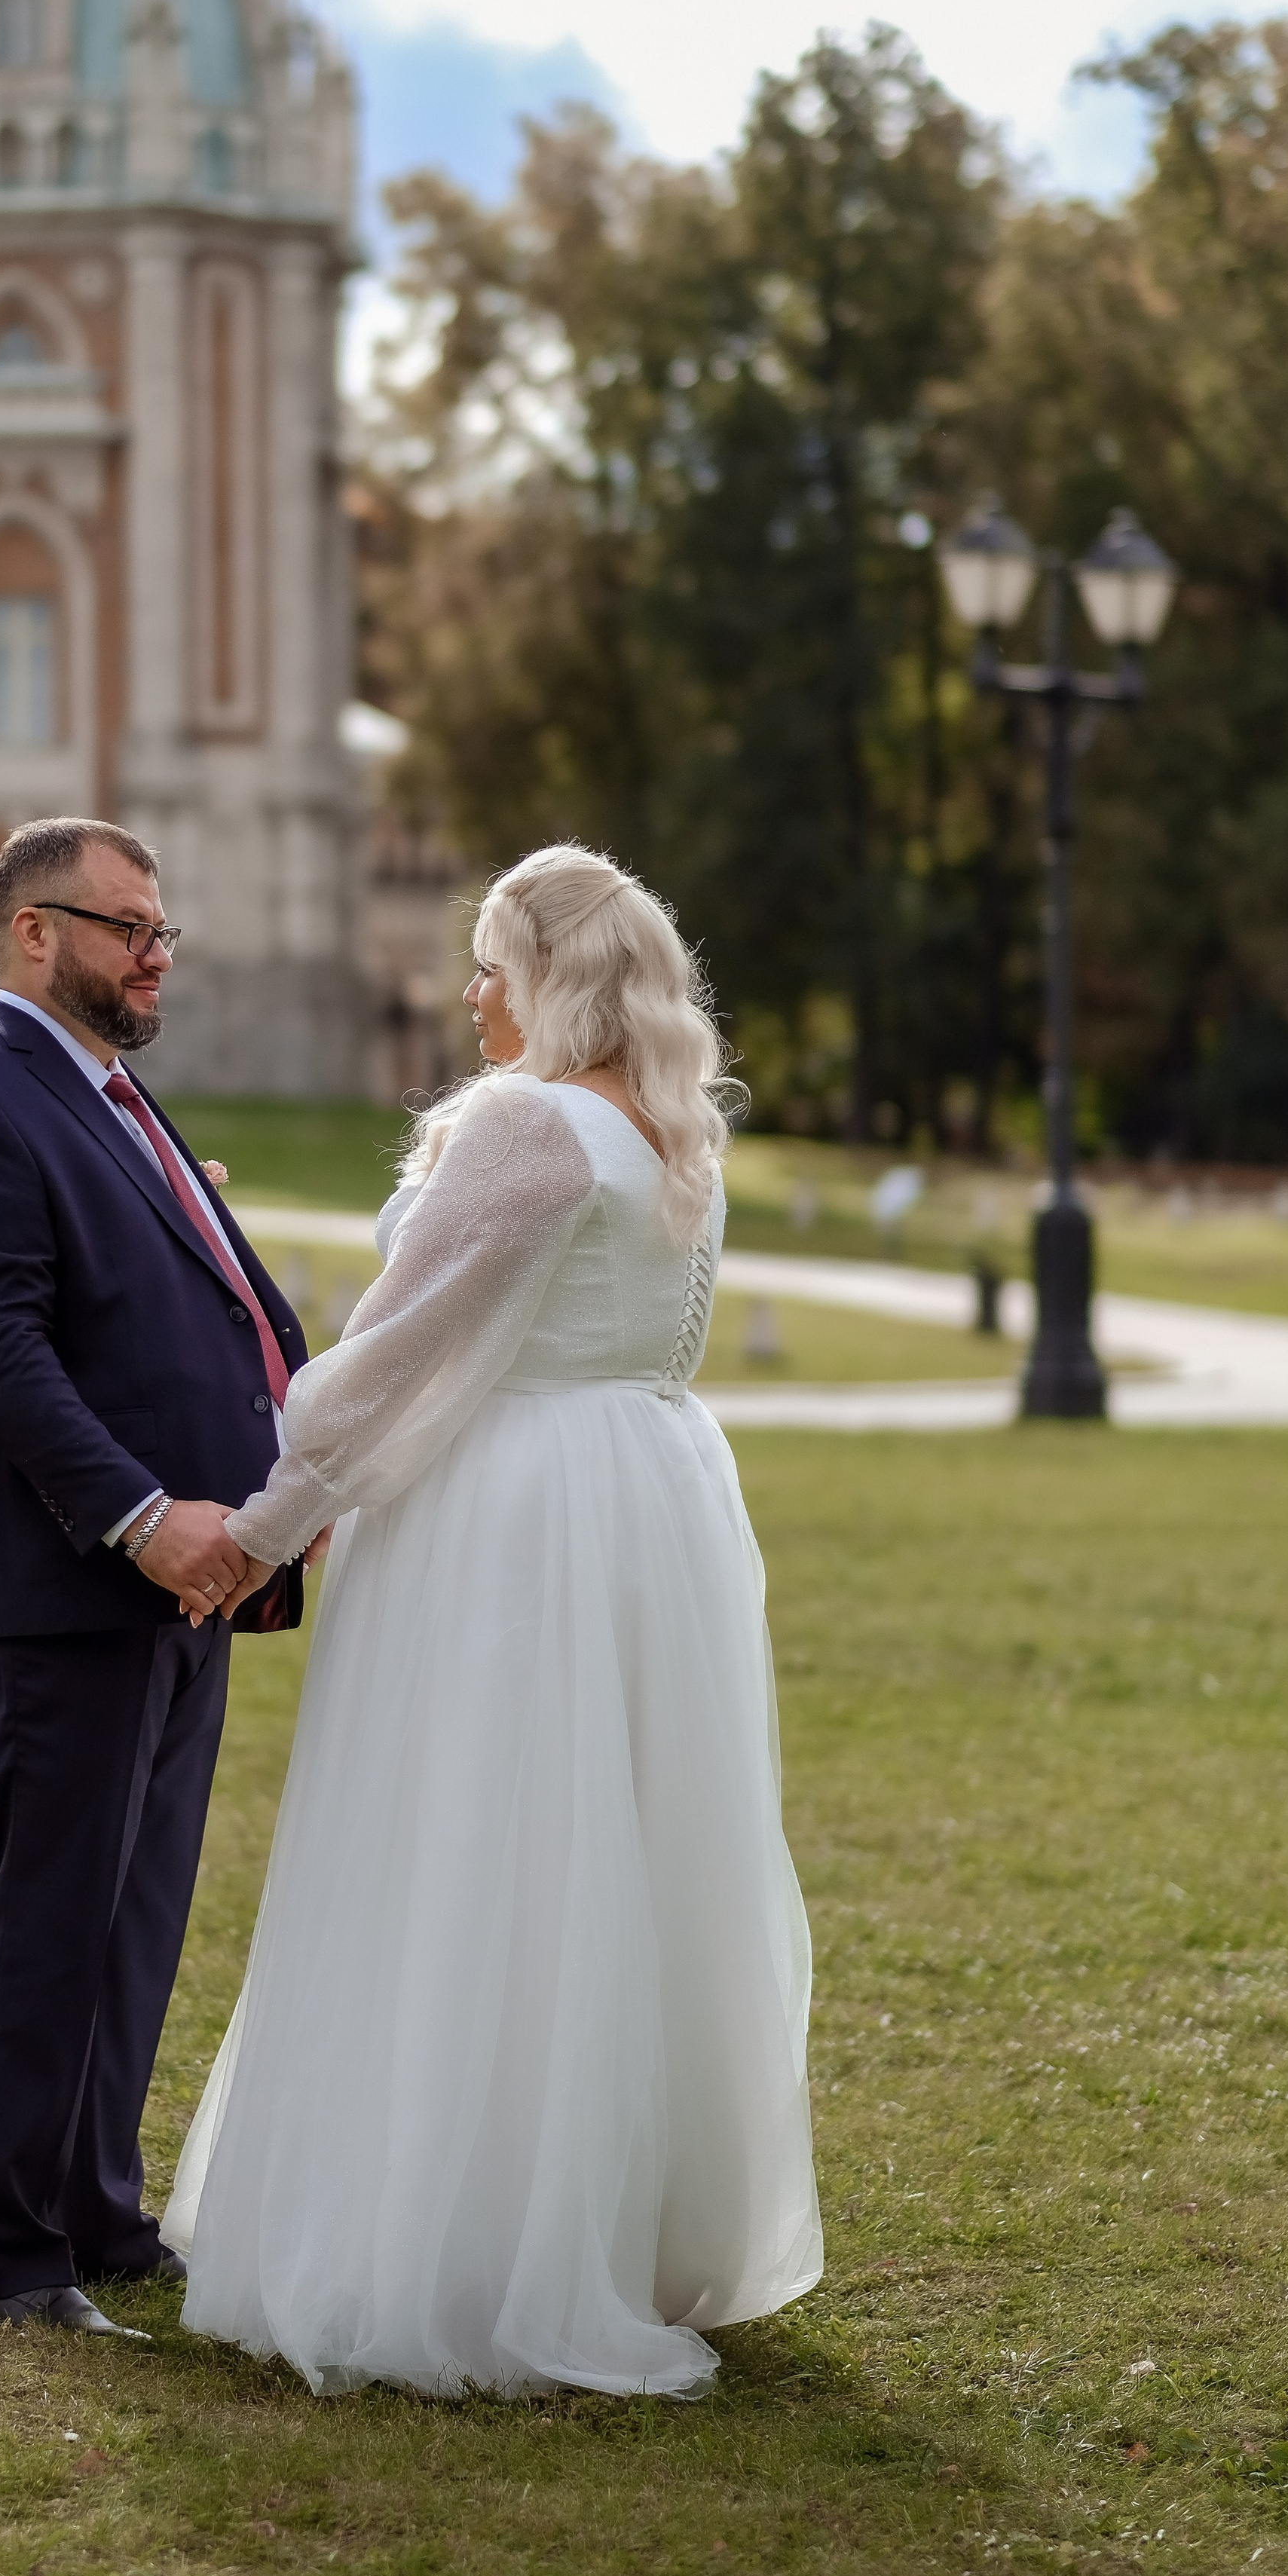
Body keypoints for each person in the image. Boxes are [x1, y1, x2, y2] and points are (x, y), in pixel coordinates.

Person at [162, 843, 822, 2397]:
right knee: (616, 1864)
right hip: (647, 1494)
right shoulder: (666, 1133)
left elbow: (400, 1349)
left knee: (471, 1848)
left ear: (548, 978)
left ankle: (455, 2244)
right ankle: (612, 2219)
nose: (468, 993)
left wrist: (265, 1524)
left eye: (489, 966)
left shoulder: (526, 1125)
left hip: (513, 1516)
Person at [0, 816, 315, 2340]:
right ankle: (3, 2253)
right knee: (54, 1915)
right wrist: (144, 1518)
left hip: (191, 1581)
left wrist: (290, 1479)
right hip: (64, 1580)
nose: (154, 952)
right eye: (124, 924)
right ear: (29, 935)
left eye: (161, 927)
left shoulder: (116, 1097)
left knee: (136, 1913)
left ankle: (94, 2212)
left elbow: (229, 1307)